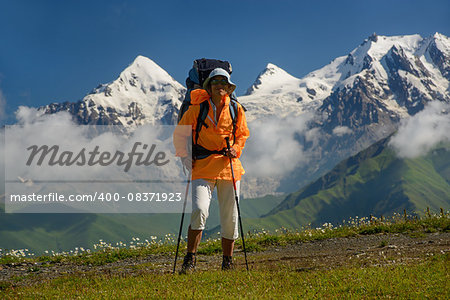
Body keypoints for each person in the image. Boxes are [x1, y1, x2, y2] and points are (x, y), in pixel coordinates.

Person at [173, 68, 249, 273]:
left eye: (223, 83)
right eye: (215, 83)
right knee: (199, 210)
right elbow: (180, 133)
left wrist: (237, 148)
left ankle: (228, 261)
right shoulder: (197, 109)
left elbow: (242, 134)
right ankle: (190, 259)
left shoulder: (236, 109)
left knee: (230, 216)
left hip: (229, 166)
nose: (220, 86)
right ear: (209, 87)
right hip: (203, 166)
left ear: (228, 87)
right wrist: (184, 155)